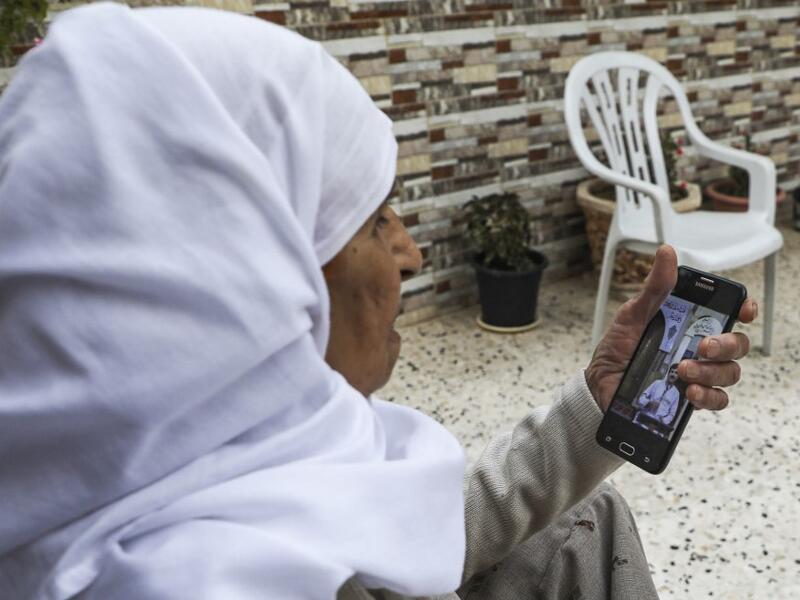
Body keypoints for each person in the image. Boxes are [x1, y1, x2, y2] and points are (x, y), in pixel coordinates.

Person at [0, 4, 756, 600]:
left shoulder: (197, 476)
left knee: (581, 526)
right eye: (372, 220)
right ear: (245, 270)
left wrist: (594, 406)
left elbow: (416, 536)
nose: (411, 255)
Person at [633, 363, 682, 432]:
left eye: (676, 373)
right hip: (645, 417)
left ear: (678, 377)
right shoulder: (657, 383)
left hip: (658, 425)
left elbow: (672, 414)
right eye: (671, 372)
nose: (673, 375)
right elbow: (642, 398)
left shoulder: (676, 393)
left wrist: (662, 421)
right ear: (668, 373)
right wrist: (649, 402)